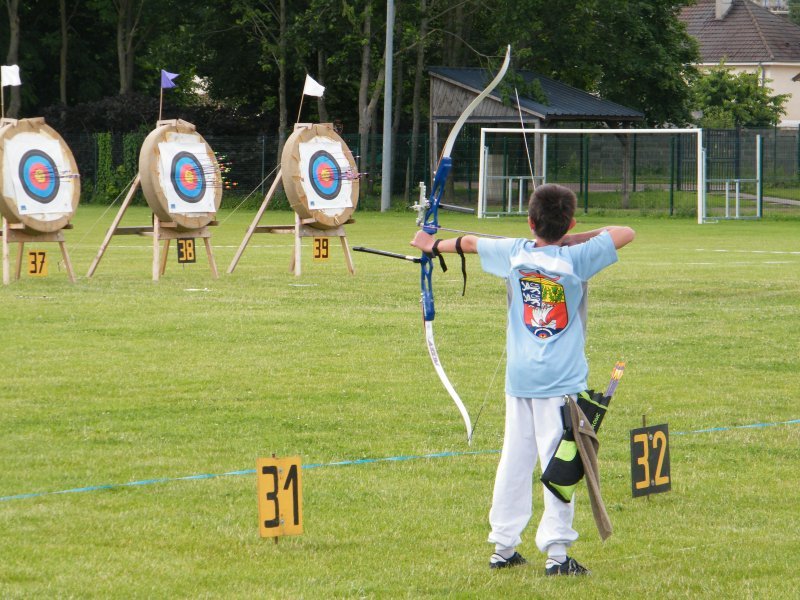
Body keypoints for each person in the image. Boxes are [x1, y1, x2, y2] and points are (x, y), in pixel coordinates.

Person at [410, 183, 635, 576]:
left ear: (531, 222)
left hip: (520, 380)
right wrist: (574, 237)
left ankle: (503, 547)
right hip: (561, 385)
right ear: (570, 223)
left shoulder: (514, 252)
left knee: (514, 461)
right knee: (562, 464)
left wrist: (431, 244)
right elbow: (624, 232)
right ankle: (558, 555)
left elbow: (469, 243)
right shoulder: (577, 258)